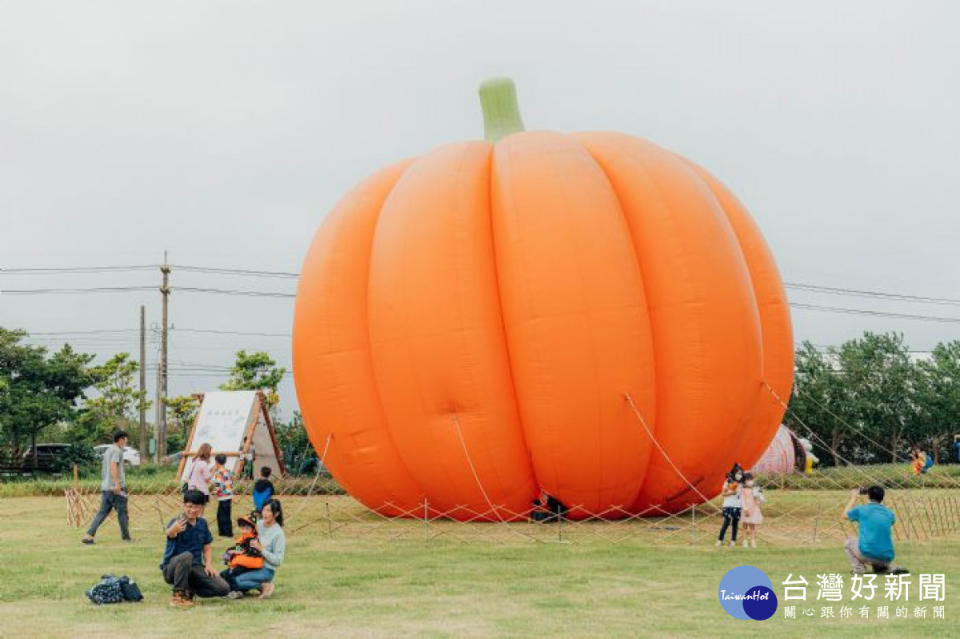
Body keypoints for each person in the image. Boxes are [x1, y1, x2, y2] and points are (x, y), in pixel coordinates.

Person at [161, 489, 231, 608]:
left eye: (197, 507)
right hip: (172, 568)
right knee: (187, 556)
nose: (193, 510)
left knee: (224, 588)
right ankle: (178, 595)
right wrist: (174, 530)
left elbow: (207, 546)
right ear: (184, 505)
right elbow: (170, 533)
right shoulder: (178, 522)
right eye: (190, 506)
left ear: (202, 508)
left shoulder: (202, 523)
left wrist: (208, 564)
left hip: (195, 567)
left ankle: (189, 591)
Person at [222, 499, 285, 599]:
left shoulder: (278, 534)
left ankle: (264, 585)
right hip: (248, 564)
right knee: (226, 577)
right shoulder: (258, 524)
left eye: (269, 511)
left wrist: (262, 550)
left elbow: (278, 561)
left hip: (266, 569)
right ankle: (239, 590)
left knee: (236, 581)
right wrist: (235, 550)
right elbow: (244, 541)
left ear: (276, 513)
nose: (265, 513)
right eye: (264, 510)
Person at [842, 486, 908, 575]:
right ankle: (884, 568)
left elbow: (844, 516)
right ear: (882, 497)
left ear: (868, 496)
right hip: (887, 557)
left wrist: (853, 498)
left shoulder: (862, 509)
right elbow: (887, 523)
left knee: (848, 542)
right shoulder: (889, 513)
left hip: (867, 554)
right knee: (878, 541)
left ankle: (859, 569)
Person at [82, 430, 131, 544]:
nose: (126, 441)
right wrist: (117, 484)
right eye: (125, 439)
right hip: (115, 488)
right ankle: (126, 537)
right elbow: (113, 467)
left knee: (102, 512)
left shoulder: (109, 450)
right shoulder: (117, 451)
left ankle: (88, 535)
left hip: (106, 487)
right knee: (122, 512)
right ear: (121, 439)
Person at [221, 515, 264, 584]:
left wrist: (237, 551)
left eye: (247, 527)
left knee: (230, 575)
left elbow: (251, 551)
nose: (244, 529)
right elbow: (239, 548)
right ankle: (228, 568)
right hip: (241, 562)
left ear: (253, 529)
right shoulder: (242, 538)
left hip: (249, 563)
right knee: (223, 574)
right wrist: (233, 551)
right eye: (242, 526)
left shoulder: (253, 539)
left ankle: (233, 587)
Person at [716, 463, 743, 548]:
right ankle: (720, 540)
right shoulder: (727, 482)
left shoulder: (741, 483)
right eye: (738, 473)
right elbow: (723, 493)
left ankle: (733, 541)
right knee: (726, 522)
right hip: (728, 505)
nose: (739, 475)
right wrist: (731, 492)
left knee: (735, 524)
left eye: (741, 474)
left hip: (738, 506)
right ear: (734, 473)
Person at [739, 473, 766, 548]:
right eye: (748, 480)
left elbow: (757, 500)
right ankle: (744, 541)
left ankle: (753, 541)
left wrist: (758, 498)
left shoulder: (755, 489)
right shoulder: (743, 490)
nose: (750, 481)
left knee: (752, 526)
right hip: (746, 509)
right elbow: (742, 500)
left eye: (751, 479)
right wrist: (745, 509)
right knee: (744, 525)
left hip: (753, 508)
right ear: (744, 481)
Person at [212, 454, 235, 537]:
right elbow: (232, 480)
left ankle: (225, 533)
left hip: (223, 496)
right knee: (226, 514)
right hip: (229, 494)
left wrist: (213, 493)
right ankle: (226, 532)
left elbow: (218, 485)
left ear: (216, 462)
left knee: (221, 515)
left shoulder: (219, 472)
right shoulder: (228, 471)